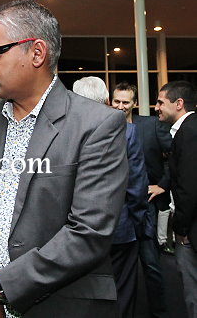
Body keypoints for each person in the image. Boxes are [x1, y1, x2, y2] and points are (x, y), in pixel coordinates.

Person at [0, 0, 128, 318]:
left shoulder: (96, 124)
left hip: (64, 305)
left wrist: (1, 289)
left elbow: (89, 232)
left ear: (36, 52)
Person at [74, 77, 151, 317]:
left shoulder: (62, 133)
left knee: (80, 292)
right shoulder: (126, 131)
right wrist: (138, 223)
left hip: (74, 229)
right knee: (123, 291)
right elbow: (137, 184)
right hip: (120, 226)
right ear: (107, 100)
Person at [113, 82, 171, 318]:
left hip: (144, 207)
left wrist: (163, 185)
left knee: (151, 266)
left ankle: (159, 314)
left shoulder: (150, 126)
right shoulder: (105, 125)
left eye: (126, 102)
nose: (120, 106)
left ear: (134, 104)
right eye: (116, 101)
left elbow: (176, 157)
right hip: (119, 214)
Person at [155, 80, 197, 318]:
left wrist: (181, 230)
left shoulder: (189, 132)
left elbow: (189, 187)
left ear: (178, 103)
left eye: (161, 102)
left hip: (190, 230)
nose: (157, 107)